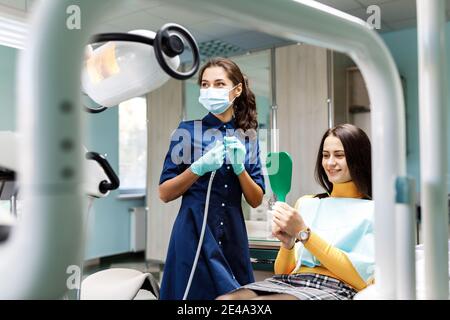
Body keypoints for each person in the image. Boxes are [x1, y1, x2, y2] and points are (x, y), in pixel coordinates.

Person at [217, 124, 374, 300]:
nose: (330, 163)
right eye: (325, 155)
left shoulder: (374, 211)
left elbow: (362, 280)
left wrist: (304, 234)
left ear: (359, 158)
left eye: (339, 155)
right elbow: (283, 272)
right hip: (290, 281)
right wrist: (288, 244)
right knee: (226, 300)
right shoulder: (308, 203)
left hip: (336, 286)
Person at [158, 57, 266, 300]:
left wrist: (240, 169)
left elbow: (256, 199)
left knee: (236, 299)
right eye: (205, 85)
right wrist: (198, 168)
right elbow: (164, 193)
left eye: (219, 84)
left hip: (232, 236)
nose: (210, 90)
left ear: (236, 90)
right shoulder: (186, 131)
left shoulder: (247, 137)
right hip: (193, 233)